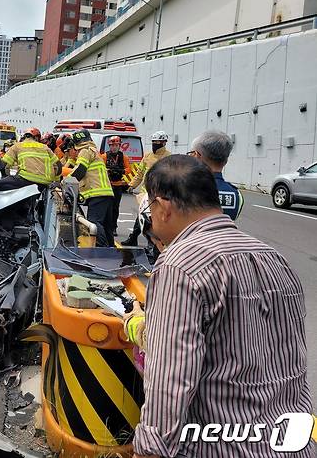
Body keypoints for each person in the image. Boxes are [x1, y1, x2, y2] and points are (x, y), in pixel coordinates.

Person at [128, 155, 314, 458]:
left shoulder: (179, 264)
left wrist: (149, 450)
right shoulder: (273, 257)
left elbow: (170, 378)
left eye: (150, 208)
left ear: (163, 207)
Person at [64, 130, 115, 246]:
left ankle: (101, 249)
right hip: (107, 193)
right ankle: (111, 252)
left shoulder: (84, 151)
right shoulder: (94, 151)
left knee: (94, 223)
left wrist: (65, 182)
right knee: (106, 227)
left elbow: (80, 170)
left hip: (96, 194)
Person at [122, 131, 171, 247]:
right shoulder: (148, 156)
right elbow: (140, 173)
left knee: (151, 217)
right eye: (153, 142)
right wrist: (132, 185)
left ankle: (151, 243)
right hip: (145, 192)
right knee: (142, 214)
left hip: (158, 193)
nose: (155, 144)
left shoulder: (168, 157)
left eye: (157, 142)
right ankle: (134, 237)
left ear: (164, 142)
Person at [188, 131, 244, 220]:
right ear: (226, 161)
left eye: (190, 153)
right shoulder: (236, 195)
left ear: (196, 156)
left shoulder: (182, 188)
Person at [0, 127, 61, 192]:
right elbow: (58, 165)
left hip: (26, 180)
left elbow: (4, 164)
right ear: (37, 138)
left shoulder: (17, 146)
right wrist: (56, 181)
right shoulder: (45, 147)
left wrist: (5, 176)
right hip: (45, 183)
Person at [100, 135, 131, 236]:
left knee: (115, 208)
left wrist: (120, 171)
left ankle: (113, 227)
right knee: (106, 207)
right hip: (107, 185)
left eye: (116, 145)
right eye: (112, 145)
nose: (114, 147)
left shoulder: (124, 157)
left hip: (118, 185)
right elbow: (100, 168)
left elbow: (128, 169)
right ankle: (105, 226)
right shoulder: (104, 156)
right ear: (109, 146)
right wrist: (108, 171)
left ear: (119, 146)